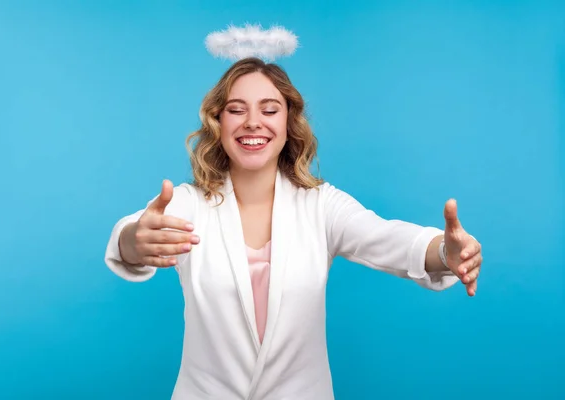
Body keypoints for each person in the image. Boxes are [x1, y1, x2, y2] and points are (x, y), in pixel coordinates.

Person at [104, 57, 483, 400]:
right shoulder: (189, 203)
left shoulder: (321, 205)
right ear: (218, 123)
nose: (253, 122)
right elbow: (133, 235)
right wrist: (134, 241)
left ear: (288, 122)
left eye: (269, 109)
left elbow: (389, 239)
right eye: (237, 110)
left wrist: (445, 252)